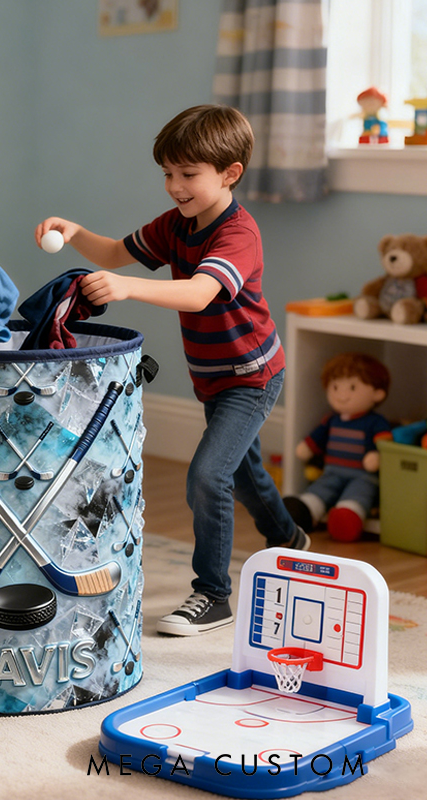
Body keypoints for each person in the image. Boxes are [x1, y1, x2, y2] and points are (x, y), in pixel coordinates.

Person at [34, 104, 309, 637]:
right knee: (244, 475)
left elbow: (200, 292)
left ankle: (212, 594)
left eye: (188, 175)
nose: (174, 186)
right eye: (168, 174)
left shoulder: (239, 234)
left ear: (230, 174)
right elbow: (115, 252)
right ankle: (291, 541)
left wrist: (129, 289)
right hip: (213, 374)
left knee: (209, 475)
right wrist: (74, 232)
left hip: (251, 375)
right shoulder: (176, 225)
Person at [283, 353, 391, 542]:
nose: (341, 395)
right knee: (319, 491)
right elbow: (316, 439)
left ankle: (347, 516)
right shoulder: (331, 420)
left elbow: (384, 443)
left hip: (362, 476)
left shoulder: (375, 422)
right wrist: (307, 447)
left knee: (358, 496)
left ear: (377, 393)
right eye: (335, 387)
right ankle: (305, 510)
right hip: (331, 472)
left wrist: (377, 455)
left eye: (351, 388)